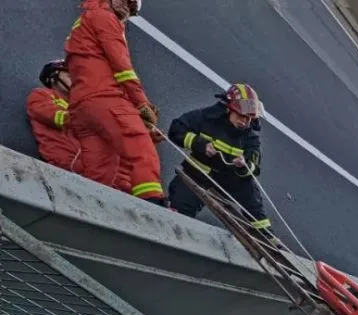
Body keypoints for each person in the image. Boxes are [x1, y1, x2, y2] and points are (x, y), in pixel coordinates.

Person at [64, 0, 164, 204]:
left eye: (131, 10)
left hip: (82, 107)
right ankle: (152, 206)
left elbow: (95, 66)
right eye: (128, 5)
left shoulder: (85, 20)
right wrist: (141, 103)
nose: (127, 12)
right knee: (142, 150)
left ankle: (91, 210)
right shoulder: (105, 18)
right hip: (104, 99)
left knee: (99, 172)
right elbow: (122, 67)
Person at [167, 84, 271, 232]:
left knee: (251, 196)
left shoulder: (250, 137)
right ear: (228, 108)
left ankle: (266, 237)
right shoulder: (206, 118)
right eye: (240, 116)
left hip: (229, 181)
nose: (244, 122)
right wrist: (200, 145)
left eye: (249, 118)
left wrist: (244, 165)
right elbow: (176, 129)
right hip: (197, 174)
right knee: (179, 213)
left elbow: (254, 164)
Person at [25, 60, 81, 173]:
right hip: (66, 162)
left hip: (90, 164)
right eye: (70, 75)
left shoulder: (78, 104)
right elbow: (55, 117)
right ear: (52, 77)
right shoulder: (40, 95)